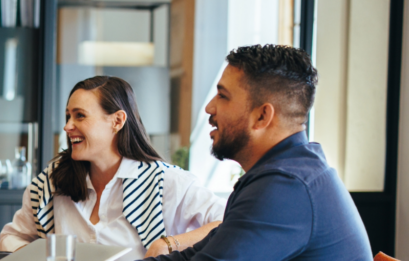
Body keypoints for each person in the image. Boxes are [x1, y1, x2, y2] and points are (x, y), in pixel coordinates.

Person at [143, 45, 372, 260]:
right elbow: (195, 255)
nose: (209, 107)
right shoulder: (288, 171)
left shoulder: (286, 187)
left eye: (223, 96)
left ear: (262, 116)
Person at [0, 76, 225, 259]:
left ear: (117, 121)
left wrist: (169, 244)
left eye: (80, 116)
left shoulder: (166, 181)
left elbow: (227, 222)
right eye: (68, 116)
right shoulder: (50, 182)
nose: (68, 126)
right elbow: (11, 237)